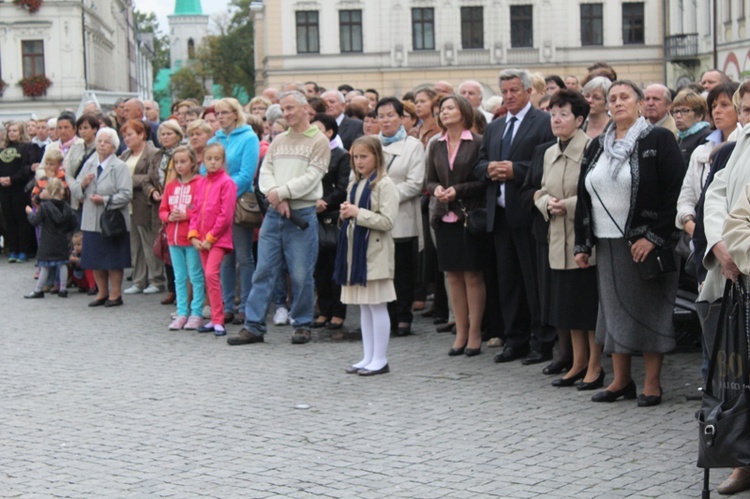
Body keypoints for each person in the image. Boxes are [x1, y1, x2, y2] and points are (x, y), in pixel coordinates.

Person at [574, 80, 685, 406]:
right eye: (613, 98)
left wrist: (652, 237)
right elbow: (584, 197)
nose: (618, 102)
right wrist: (583, 243)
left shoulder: (658, 139)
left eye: (625, 97)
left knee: (649, 311)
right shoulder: (597, 145)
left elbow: (675, 194)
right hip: (607, 242)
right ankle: (621, 381)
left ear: (639, 104)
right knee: (611, 313)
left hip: (644, 245)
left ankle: (652, 383)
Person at [228, 90, 330, 346]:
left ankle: (302, 323)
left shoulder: (319, 141)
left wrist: (281, 193)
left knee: (300, 273)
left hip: (301, 214)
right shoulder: (279, 140)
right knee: (263, 270)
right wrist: (276, 196)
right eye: (283, 109)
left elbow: (312, 176)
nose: (285, 113)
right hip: (275, 214)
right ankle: (254, 325)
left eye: (290, 108)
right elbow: (266, 170)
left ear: (306, 109)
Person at [473, 68, 556, 365]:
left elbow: (548, 164)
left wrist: (515, 170)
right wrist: (488, 170)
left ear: (528, 92)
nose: (508, 96)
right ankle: (514, 339)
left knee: (533, 283)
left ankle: (541, 340)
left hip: (529, 215)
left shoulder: (544, 122)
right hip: (501, 214)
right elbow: (479, 163)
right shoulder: (495, 127)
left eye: (514, 91)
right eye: (505, 91)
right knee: (507, 281)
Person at [697, 83, 750, 496]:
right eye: (744, 109)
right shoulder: (738, 142)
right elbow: (714, 199)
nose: (746, 117)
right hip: (735, 274)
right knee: (738, 374)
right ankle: (741, 460)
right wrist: (719, 245)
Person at [533, 89, 602, 389]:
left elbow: (597, 193)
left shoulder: (592, 148)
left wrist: (569, 205)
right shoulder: (549, 152)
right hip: (557, 240)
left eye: (563, 114)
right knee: (569, 309)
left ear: (579, 119)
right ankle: (577, 362)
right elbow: (540, 190)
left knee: (587, 308)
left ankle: (595, 366)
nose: (556, 120)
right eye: (552, 114)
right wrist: (546, 203)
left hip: (583, 240)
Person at [425, 95, 486, 356]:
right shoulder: (435, 145)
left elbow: (483, 180)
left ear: (463, 111)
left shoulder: (478, 143)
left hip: (468, 216)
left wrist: (456, 190)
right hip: (443, 217)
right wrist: (437, 188)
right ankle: (460, 331)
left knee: (472, 274)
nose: (444, 112)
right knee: (452, 276)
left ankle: (475, 332)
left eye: (450, 108)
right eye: (442, 109)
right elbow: (428, 181)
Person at [336, 136, 399, 375]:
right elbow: (354, 212)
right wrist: (346, 213)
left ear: (377, 157)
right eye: (355, 157)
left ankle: (380, 359)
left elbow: (387, 221)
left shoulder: (385, 184)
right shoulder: (356, 182)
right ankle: (368, 355)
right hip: (357, 252)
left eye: (364, 157)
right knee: (364, 306)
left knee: (377, 305)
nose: (359, 162)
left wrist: (358, 213)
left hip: (375, 252)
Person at [376, 97, 425, 336]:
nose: (386, 120)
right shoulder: (371, 144)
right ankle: (386, 316)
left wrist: (385, 196)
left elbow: (415, 183)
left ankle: (404, 316)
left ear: (401, 117)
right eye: (381, 116)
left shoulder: (413, 145)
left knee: (402, 271)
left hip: (402, 216)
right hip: (374, 218)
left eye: (390, 115)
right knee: (381, 271)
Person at [208, 97, 260, 325]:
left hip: (238, 204)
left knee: (244, 257)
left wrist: (224, 193)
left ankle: (247, 305)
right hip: (217, 207)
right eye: (217, 113)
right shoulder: (215, 139)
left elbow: (247, 174)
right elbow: (205, 168)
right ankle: (227, 305)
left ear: (236, 114)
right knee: (224, 259)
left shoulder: (249, 137)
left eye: (224, 112)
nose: (220, 117)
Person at [70, 127, 133, 308]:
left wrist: (104, 200)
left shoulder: (119, 166)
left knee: (113, 260)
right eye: (99, 141)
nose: (102, 144)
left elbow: (126, 194)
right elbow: (74, 189)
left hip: (112, 220)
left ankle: (115, 294)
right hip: (91, 220)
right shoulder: (89, 164)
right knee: (95, 259)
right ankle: (101, 292)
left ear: (114, 146)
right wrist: (83, 183)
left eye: (106, 142)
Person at [676, 83, 740, 242]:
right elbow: (686, 196)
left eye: (725, 105)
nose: (717, 111)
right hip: (700, 237)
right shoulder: (701, 151)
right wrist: (689, 223)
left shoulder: (744, 148)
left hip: (736, 236)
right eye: (713, 106)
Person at [187, 143, 236, 335]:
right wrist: (193, 235)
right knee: (209, 278)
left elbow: (226, 214)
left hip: (218, 239)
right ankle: (216, 317)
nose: (213, 162)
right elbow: (195, 210)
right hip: (202, 239)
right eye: (209, 159)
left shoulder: (227, 183)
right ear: (203, 161)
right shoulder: (201, 183)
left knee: (211, 275)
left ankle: (218, 318)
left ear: (223, 161)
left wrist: (210, 237)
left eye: (217, 159)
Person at [311, 113, 350, 330]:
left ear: (329, 132)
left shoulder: (341, 155)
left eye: (318, 130)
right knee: (319, 269)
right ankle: (323, 310)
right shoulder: (311, 154)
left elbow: (344, 187)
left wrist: (325, 202)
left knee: (335, 266)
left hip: (333, 216)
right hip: (311, 216)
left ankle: (338, 311)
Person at [160, 145, 206, 331]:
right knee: (179, 276)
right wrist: (167, 217)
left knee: (195, 275)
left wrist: (186, 215)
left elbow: (201, 209)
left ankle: (196, 312)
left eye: (183, 161)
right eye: (176, 162)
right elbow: (163, 209)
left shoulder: (199, 183)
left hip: (191, 238)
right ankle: (181, 312)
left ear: (193, 163)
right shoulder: (170, 185)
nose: (179, 165)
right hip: (173, 238)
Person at [120, 119, 164, 296]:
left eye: (130, 134)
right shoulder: (124, 155)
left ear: (142, 134)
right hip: (128, 205)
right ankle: (139, 280)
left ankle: (157, 279)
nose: (127, 139)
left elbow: (151, 177)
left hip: (145, 203)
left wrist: (128, 181)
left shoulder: (153, 153)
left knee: (149, 243)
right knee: (135, 245)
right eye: (124, 136)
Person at [145, 120, 184, 306]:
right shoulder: (157, 156)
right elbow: (147, 179)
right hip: (160, 205)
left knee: (180, 248)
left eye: (170, 134)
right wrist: (152, 191)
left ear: (178, 135)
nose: (165, 137)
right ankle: (172, 289)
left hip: (180, 204)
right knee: (166, 248)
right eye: (163, 134)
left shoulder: (183, 153)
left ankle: (184, 291)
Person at [23, 179, 77, 298]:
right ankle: (62, 289)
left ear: (50, 191)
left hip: (47, 240)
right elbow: (73, 223)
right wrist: (65, 231)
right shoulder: (67, 207)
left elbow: (35, 221)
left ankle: (38, 289)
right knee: (62, 264)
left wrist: (30, 212)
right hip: (62, 240)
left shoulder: (45, 206)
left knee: (45, 265)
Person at [0, 121, 35, 262]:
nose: (12, 133)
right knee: (9, 220)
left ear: (21, 132)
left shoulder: (27, 147)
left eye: (15, 130)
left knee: (21, 220)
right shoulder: (2, 148)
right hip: (3, 189)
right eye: (10, 131)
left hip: (19, 189)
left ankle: (24, 250)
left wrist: (12, 179)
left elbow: (27, 168)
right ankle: (13, 249)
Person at [672, 90, 711, 166]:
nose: (678, 116)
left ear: (699, 115)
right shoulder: (680, 137)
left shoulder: (706, 136)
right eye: (676, 111)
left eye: (684, 111)